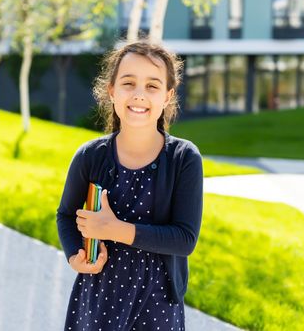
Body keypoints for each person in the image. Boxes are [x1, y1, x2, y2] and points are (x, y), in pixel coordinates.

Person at [56, 40, 203, 331]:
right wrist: (76, 256)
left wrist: (113, 229)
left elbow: (185, 239)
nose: (139, 95)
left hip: (158, 303)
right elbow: (66, 215)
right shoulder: (91, 156)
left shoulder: (183, 159)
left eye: (152, 86)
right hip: (98, 297)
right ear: (111, 91)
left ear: (167, 96)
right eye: (128, 83)